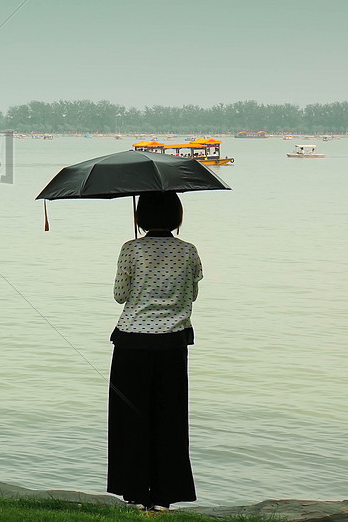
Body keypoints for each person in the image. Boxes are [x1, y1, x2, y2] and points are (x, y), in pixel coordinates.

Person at [106, 191, 201, 510]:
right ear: (177, 217)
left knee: (129, 417)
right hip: (173, 342)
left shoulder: (130, 249)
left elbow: (120, 295)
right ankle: (164, 496)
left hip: (132, 341)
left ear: (140, 217)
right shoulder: (188, 251)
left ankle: (134, 493)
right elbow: (193, 293)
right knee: (170, 417)